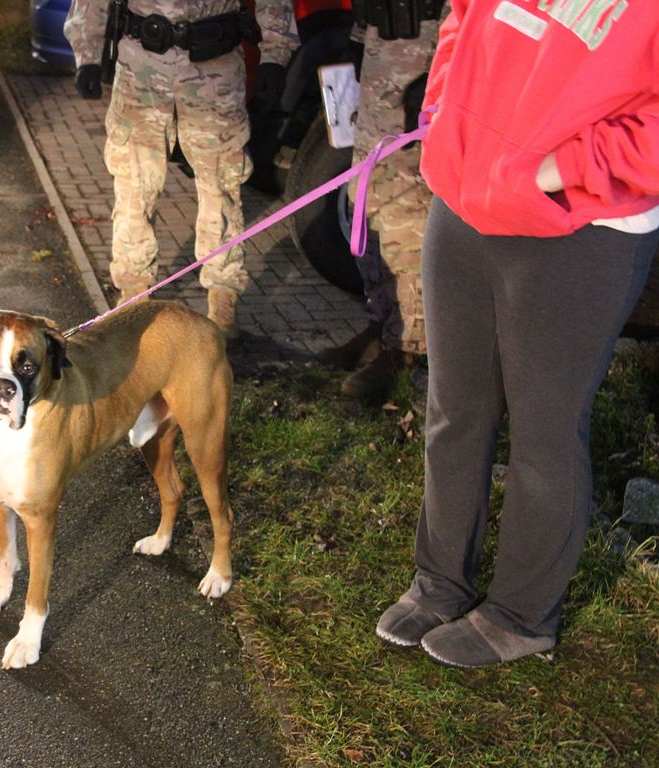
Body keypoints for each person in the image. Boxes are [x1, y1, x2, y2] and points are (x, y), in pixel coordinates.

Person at [375, 0, 659, 668]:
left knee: (544, 431)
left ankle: (523, 615)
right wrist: (444, 117)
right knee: (454, 409)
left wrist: (550, 172)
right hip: (466, 198)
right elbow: (465, 19)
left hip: (581, 224)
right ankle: (441, 580)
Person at [63, 0, 298, 338]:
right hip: (142, 69)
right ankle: (132, 295)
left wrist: (276, 56)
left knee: (221, 187)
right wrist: (87, 55)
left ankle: (222, 298)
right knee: (133, 185)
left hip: (214, 69)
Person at [319, 11, 444, 403]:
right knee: (367, 201)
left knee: (406, 215)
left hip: (425, 67)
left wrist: (444, 73)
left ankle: (408, 346)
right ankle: (382, 322)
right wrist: (358, 39)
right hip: (379, 69)